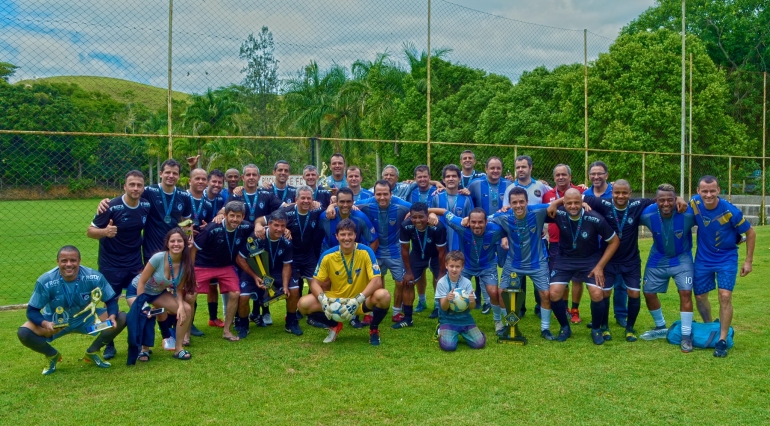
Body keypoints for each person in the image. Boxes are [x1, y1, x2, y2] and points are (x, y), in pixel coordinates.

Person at [17, 246, 127, 374]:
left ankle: (93, 351)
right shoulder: (46, 281)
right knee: (24, 332)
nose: (68, 264)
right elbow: (32, 310)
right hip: (56, 324)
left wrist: (112, 315)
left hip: (87, 321)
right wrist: (46, 324)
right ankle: (52, 355)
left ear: (79, 261)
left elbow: (110, 300)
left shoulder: (94, 277)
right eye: (64, 261)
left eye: (73, 260)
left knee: (121, 318)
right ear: (57, 261)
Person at [580, 179, 662, 341]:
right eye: (617, 192)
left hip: (631, 260)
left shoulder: (638, 204)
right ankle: (604, 327)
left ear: (630, 194)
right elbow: (576, 198)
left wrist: (680, 199)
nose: (620, 196)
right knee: (605, 293)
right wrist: (580, 204)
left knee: (633, 292)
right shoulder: (602, 203)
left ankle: (630, 328)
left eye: (624, 193)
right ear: (612, 193)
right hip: (608, 259)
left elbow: (660, 199)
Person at [87, 170, 150, 359]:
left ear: (143, 187)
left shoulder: (146, 205)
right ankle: (109, 343)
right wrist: (105, 231)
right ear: (124, 186)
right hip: (110, 265)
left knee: (140, 301)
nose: (135, 188)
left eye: (139, 185)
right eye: (132, 184)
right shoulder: (110, 206)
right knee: (110, 304)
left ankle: (138, 342)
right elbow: (90, 231)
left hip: (134, 264)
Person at [690, 175, 755, 357]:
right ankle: (711, 326)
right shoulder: (694, 203)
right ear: (698, 191)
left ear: (718, 190)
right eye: (705, 191)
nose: (708, 194)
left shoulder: (730, 211)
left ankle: (722, 339)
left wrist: (748, 261)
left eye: (712, 191)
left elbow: (750, 233)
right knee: (701, 296)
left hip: (726, 258)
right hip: (703, 258)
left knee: (724, 296)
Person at [298, 219, 391, 346]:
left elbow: (377, 281)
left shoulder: (366, 251)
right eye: (342, 234)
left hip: (360, 301)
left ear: (355, 235)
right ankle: (335, 326)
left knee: (384, 295)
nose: (346, 238)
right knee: (303, 304)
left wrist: (358, 299)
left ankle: (374, 329)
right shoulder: (328, 256)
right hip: (337, 301)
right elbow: (315, 283)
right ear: (337, 236)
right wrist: (323, 299)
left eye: (349, 234)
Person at [546, 189, 619, 344]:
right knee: (554, 294)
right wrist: (554, 203)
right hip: (565, 259)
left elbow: (614, 241)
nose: (573, 206)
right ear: (564, 203)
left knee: (597, 294)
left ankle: (596, 329)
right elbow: (532, 210)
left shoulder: (594, 218)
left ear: (582, 202)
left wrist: (600, 266)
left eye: (577, 202)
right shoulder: (558, 213)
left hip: (590, 260)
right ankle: (565, 327)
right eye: (569, 203)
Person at [254, 186, 324, 335]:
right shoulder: (287, 212)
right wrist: (258, 226)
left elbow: (336, 206)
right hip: (291, 256)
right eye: (302, 198)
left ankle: (313, 315)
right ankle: (291, 319)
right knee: (293, 289)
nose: (306, 201)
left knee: (317, 285)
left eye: (308, 198)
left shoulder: (316, 210)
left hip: (309, 256)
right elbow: (261, 220)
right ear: (296, 199)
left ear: (312, 199)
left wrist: (332, 203)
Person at [96, 159, 193, 263]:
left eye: (175, 173)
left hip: (174, 246)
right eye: (167, 172)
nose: (171, 175)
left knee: (174, 277)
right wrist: (107, 202)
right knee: (154, 278)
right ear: (161, 174)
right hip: (152, 248)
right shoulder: (148, 191)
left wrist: (189, 236)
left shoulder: (184, 196)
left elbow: (187, 221)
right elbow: (129, 195)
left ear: (178, 176)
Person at [638, 184, 697, 351]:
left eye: (670, 199)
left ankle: (686, 335)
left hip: (682, 258)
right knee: (648, 292)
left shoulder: (687, 212)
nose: (666, 203)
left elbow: (708, 213)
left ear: (675, 199)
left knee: (685, 292)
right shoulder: (647, 213)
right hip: (658, 258)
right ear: (655, 200)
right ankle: (660, 327)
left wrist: (736, 236)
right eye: (661, 200)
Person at [430, 207, 507, 334]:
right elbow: (443, 212)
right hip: (466, 266)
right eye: (473, 222)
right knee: (451, 290)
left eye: (480, 222)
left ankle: (498, 322)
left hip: (487, 265)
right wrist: (430, 212)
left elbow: (512, 227)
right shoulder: (460, 225)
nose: (477, 225)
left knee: (493, 292)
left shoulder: (496, 230)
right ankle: (444, 320)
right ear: (468, 221)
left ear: (486, 222)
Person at [491, 188, 553, 339]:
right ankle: (508, 325)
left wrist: (583, 204)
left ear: (527, 202)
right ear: (509, 204)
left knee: (546, 294)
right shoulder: (503, 215)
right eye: (514, 202)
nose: (518, 205)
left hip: (537, 263)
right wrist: (466, 220)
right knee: (502, 293)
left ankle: (545, 329)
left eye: (521, 202)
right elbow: (482, 218)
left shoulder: (537, 211)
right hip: (514, 263)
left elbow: (558, 203)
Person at [126, 228, 196, 360]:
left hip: (157, 293)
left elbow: (179, 289)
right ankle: (144, 349)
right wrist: (144, 304)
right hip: (137, 291)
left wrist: (180, 305)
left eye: (179, 241)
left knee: (186, 309)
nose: (176, 244)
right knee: (145, 313)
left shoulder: (186, 264)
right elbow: (141, 282)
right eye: (172, 241)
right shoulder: (158, 258)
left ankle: (178, 348)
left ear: (185, 243)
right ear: (167, 243)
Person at [192, 201, 253, 342]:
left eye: (238, 216)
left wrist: (260, 227)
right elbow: (193, 250)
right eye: (232, 216)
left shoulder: (245, 226)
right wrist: (191, 272)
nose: (235, 219)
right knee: (190, 295)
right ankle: (186, 333)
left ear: (243, 216)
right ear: (225, 215)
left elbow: (258, 228)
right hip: (203, 265)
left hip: (225, 266)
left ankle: (226, 331)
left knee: (235, 293)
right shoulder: (211, 228)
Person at [355, 180, 412, 321]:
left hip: (395, 251)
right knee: (376, 282)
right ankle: (371, 313)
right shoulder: (366, 203)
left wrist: (431, 214)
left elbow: (420, 209)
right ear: (373, 194)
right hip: (376, 251)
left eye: (385, 194)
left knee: (400, 282)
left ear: (391, 194)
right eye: (378, 194)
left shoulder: (401, 205)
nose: (382, 197)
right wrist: (333, 204)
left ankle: (396, 312)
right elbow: (345, 205)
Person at [582, 160, 627, 328]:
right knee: (597, 283)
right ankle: (599, 318)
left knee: (620, 282)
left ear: (606, 175)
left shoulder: (614, 192)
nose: (596, 176)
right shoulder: (585, 194)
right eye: (592, 174)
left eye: (599, 173)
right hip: (594, 246)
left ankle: (621, 314)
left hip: (616, 244)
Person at [235, 211, 293, 339]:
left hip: (274, 273)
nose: (279, 229)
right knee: (243, 298)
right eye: (276, 225)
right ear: (269, 224)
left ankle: (291, 323)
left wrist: (284, 286)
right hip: (252, 273)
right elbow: (240, 258)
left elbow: (287, 265)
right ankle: (244, 326)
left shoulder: (286, 241)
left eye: (283, 226)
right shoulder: (256, 237)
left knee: (293, 290)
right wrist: (255, 276)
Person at [466, 156, 511, 313]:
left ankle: (513, 305)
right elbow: (466, 202)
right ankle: (485, 301)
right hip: (482, 233)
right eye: (492, 168)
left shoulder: (509, 185)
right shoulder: (475, 185)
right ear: (485, 169)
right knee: (482, 262)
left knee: (508, 268)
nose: (495, 171)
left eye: (498, 168)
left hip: (503, 234)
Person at [542, 164, 585, 324]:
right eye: (558, 175)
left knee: (577, 279)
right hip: (555, 242)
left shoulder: (580, 192)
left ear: (570, 177)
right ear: (554, 178)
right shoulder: (547, 196)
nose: (561, 177)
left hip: (577, 242)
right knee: (561, 278)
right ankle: (565, 308)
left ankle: (575, 310)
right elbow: (543, 213)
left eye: (564, 174)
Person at [430, 164, 474, 319]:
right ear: (443, 179)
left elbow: (472, 219)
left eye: (454, 176)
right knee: (439, 273)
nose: (450, 179)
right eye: (447, 176)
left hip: (460, 242)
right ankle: (438, 305)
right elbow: (429, 213)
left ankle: (462, 301)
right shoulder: (436, 196)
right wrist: (433, 216)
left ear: (459, 178)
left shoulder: (466, 198)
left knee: (458, 271)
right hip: (440, 241)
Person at [394, 202, 447, 329]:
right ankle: (408, 318)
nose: (417, 220)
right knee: (408, 283)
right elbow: (405, 249)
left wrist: (441, 273)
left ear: (428, 216)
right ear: (410, 216)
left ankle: (443, 317)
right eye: (414, 217)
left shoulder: (438, 227)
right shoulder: (406, 225)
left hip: (435, 256)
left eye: (421, 217)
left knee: (443, 283)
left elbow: (442, 252)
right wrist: (408, 272)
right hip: (418, 255)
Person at [435, 251, 485, 351]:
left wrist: (471, 301)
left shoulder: (466, 283)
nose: (454, 269)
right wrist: (447, 298)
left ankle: (472, 332)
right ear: (446, 266)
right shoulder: (441, 283)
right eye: (451, 266)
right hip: (448, 319)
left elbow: (472, 307)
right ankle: (441, 330)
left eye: (457, 266)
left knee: (479, 344)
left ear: (462, 267)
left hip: (465, 319)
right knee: (449, 346)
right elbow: (444, 308)